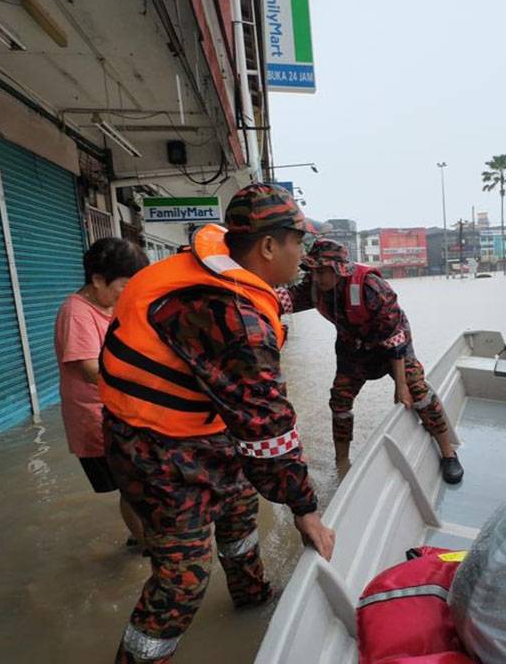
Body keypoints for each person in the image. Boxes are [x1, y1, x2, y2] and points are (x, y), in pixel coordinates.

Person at [98, 184, 335, 663]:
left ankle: (251, 599)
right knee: (182, 580)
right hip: (155, 454)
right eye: (299, 243)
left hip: (206, 433)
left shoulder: (210, 268)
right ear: (269, 246)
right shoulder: (232, 315)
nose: (304, 255)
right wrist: (303, 507)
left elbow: (285, 301)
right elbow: (269, 428)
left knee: (239, 517)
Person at [275, 239, 463, 484]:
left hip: (392, 345)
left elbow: (395, 338)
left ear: (339, 270)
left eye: (323, 271)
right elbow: (282, 300)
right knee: (340, 401)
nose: (317, 277)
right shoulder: (314, 287)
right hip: (352, 348)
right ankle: (341, 462)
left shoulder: (371, 287)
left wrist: (401, 386)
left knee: (418, 391)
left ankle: (448, 452)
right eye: (314, 271)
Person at [54, 237, 149, 548]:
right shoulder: (77, 311)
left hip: (121, 412)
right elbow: (89, 369)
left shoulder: (109, 306)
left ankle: (143, 539)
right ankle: (146, 544)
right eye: (124, 285)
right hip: (97, 418)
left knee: (139, 483)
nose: (129, 293)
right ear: (97, 280)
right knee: (131, 486)